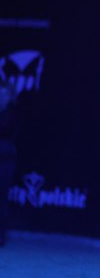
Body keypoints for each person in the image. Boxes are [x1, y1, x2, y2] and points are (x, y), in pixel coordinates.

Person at [0, 82, 18, 246]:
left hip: (5, 159)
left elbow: (7, 130)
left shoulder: (12, 113)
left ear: (10, 96)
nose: (1, 97)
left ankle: (0, 235)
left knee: (1, 197)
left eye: (4, 94)